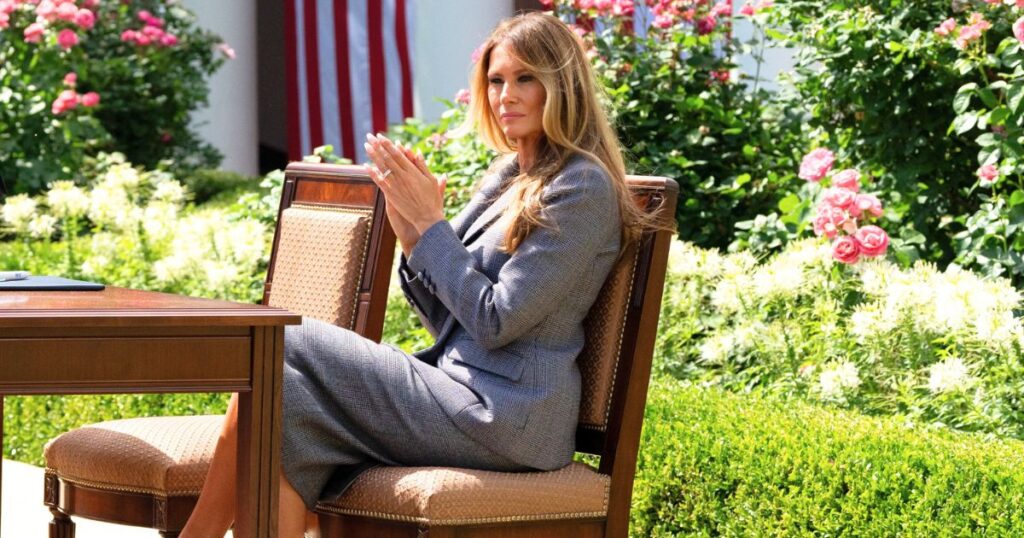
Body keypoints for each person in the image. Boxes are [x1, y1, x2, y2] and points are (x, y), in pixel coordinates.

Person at [180, 11, 653, 537]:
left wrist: (431, 224)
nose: (506, 95)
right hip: (461, 391)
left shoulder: (581, 187)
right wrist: (411, 232)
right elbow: (447, 320)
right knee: (280, 396)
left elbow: (498, 321)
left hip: (509, 416)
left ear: (561, 85)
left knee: (281, 338)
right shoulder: (508, 172)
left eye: (525, 79)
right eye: (496, 80)